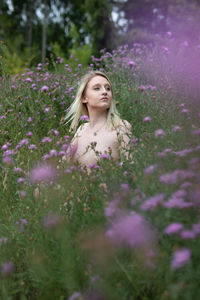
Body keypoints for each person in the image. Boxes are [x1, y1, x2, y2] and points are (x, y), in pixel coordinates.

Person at [64, 70, 132, 167]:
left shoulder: (121, 127)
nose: (105, 92)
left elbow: (130, 167)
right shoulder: (81, 130)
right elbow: (62, 166)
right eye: (97, 88)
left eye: (108, 88)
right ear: (84, 98)